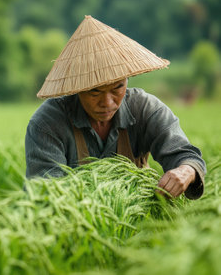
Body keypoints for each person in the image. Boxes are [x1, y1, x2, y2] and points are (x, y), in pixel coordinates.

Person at [25, 15, 205, 199]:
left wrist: (186, 170)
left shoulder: (144, 109)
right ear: (77, 89)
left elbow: (186, 155)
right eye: (95, 92)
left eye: (117, 88)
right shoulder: (47, 124)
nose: (108, 103)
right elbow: (47, 194)